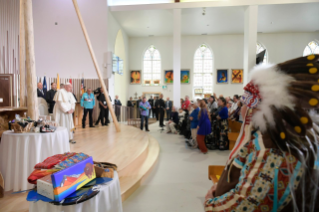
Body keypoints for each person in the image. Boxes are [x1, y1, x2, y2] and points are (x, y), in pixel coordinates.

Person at [204, 55, 319, 212]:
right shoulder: (283, 135)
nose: (242, 109)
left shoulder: (272, 147)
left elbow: (247, 204)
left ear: (261, 109)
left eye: (246, 103)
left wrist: (210, 203)